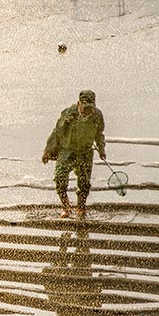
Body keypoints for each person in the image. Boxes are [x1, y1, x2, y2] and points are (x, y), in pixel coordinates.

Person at [42, 90, 106, 219]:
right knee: (60, 178)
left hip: (85, 152)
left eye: (90, 107)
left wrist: (101, 149)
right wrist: (48, 151)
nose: (87, 110)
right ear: (79, 104)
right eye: (85, 107)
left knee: (84, 184)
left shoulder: (97, 115)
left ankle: (81, 207)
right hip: (67, 151)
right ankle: (66, 207)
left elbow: (99, 134)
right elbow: (57, 132)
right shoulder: (69, 113)